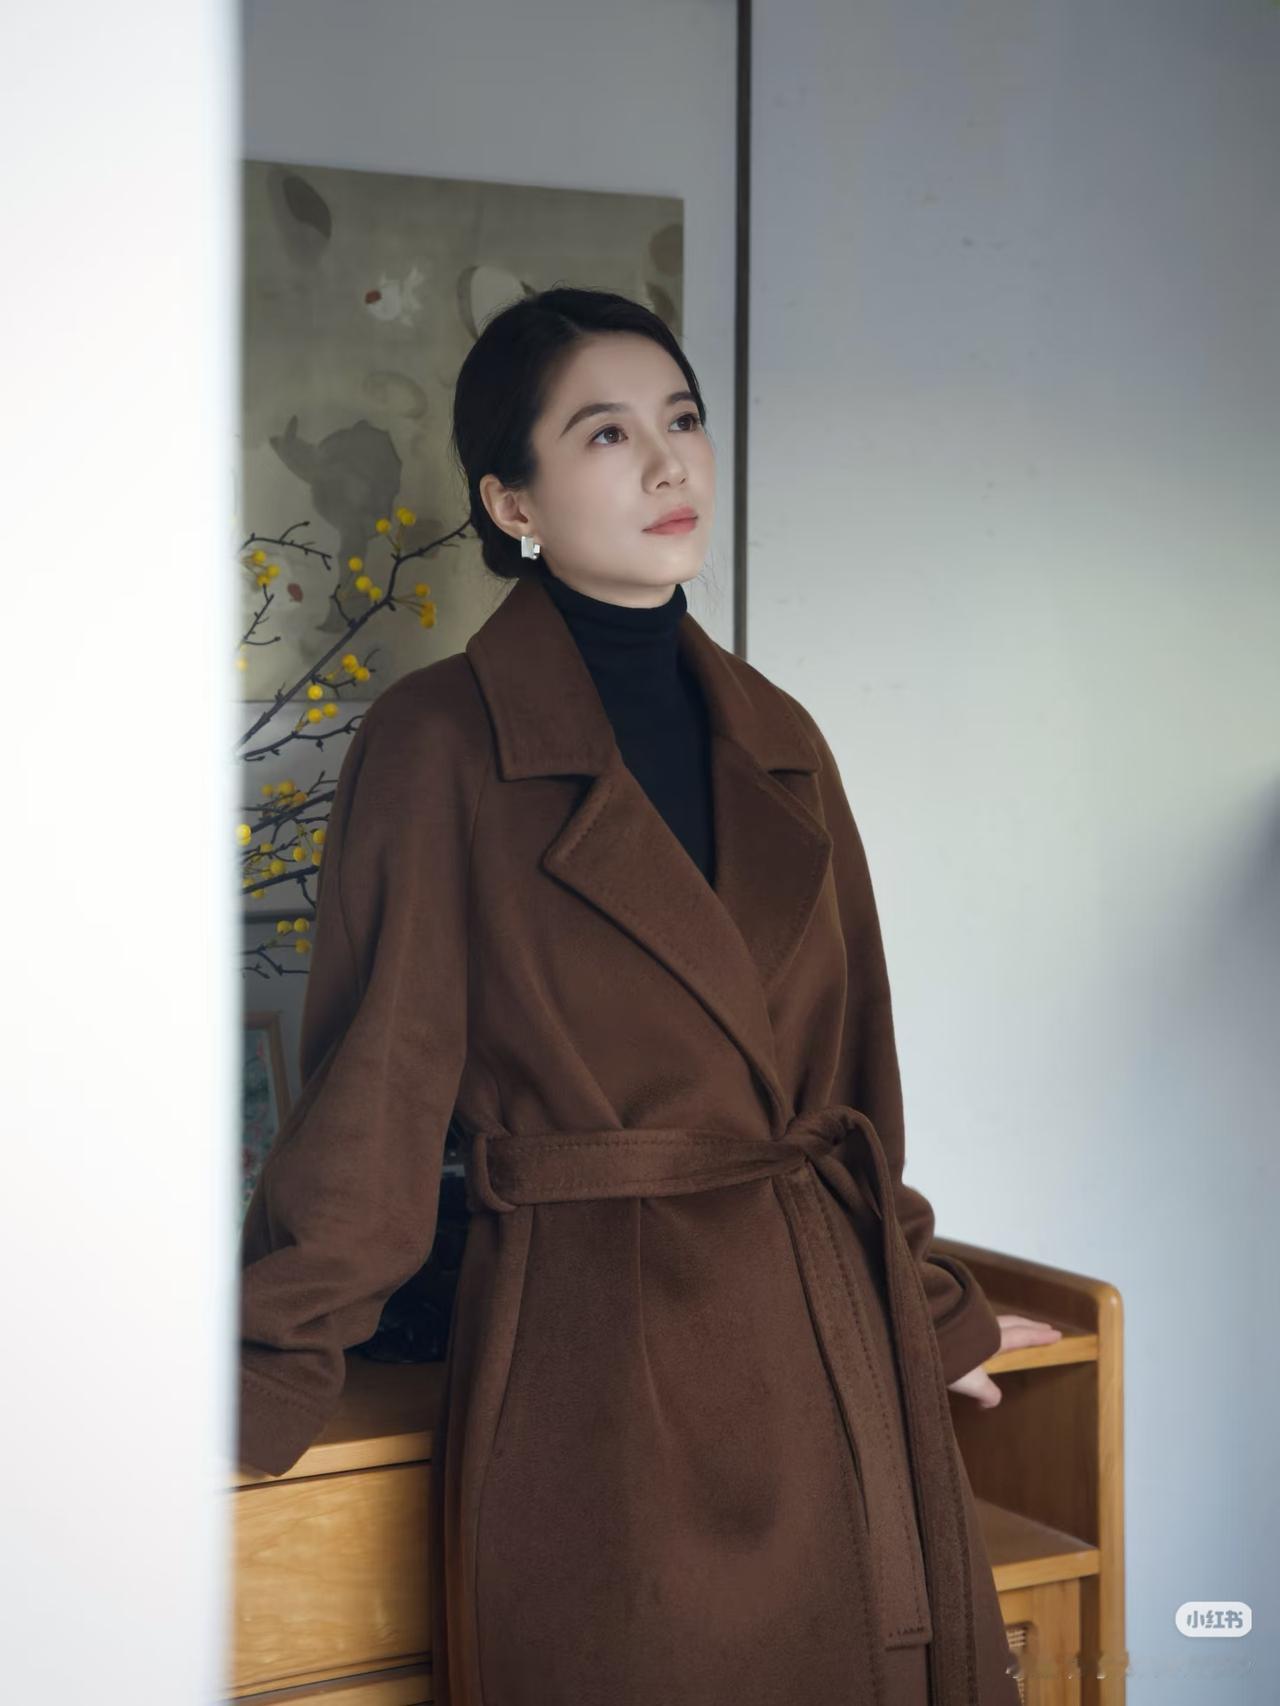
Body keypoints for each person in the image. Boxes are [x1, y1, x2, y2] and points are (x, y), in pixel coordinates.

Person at [237, 286, 1060, 1706]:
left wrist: (925, 1309)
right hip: (596, 1363)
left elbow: (853, 1079)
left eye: (683, 419)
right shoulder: (439, 740)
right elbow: (379, 1087)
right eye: (607, 433)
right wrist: (261, 1371)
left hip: (826, 1350)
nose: (672, 462)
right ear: (513, 503)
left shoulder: (781, 734)